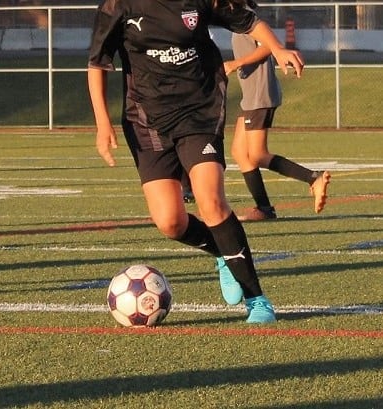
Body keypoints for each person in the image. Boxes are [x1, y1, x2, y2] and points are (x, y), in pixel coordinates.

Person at [88, 0, 304, 323]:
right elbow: (97, 63)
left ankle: (257, 301)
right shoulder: (118, 5)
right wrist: (102, 123)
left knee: (211, 201)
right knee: (170, 222)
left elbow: (248, 21)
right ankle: (221, 252)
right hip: (146, 121)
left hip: (200, 110)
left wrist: (277, 48)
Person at [224, 29, 330, 221]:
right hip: (250, 96)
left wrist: (236, 63)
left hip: (259, 95)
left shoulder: (248, 21)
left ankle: (313, 177)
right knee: (239, 152)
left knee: (257, 155)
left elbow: (269, 45)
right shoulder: (237, 22)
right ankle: (264, 209)